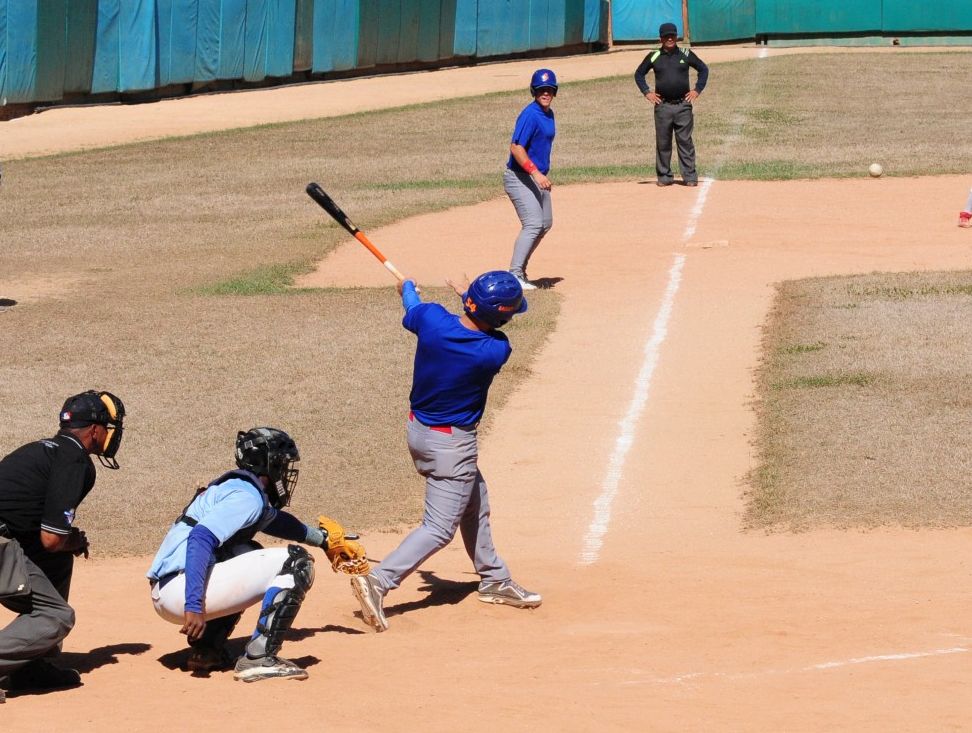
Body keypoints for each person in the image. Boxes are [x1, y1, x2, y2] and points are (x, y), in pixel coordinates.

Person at [350, 271, 542, 633]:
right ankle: (377, 581)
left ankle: (494, 578)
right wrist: (468, 297)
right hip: (453, 446)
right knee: (439, 528)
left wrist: (408, 288)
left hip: (420, 433)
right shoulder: (494, 350)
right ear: (501, 315)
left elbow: (415, 307)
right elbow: (481, 327)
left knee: (475, 502)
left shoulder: (431, 319)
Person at [146, 426, 357, 682]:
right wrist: (193, 606)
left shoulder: (239, 489)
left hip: (168, 590)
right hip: (182, 595)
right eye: (283, 465)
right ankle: (259, 659)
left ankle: (207, 650)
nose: (285, 472)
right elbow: (200, 538)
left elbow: (279, 522)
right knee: (296, 563)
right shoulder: (247, 498)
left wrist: (324, 540)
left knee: (247, 552)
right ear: (270, 464)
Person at [0, 390, 126, 701]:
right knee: (58, 616)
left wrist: (66, 543)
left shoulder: (40, 450)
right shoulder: (74, 461)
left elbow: (35, 530)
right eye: (109, 428)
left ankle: (31, 666)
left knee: (56, 562)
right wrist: (71, 539)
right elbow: (52, 538)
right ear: (95, 430)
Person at [634, 22, 709, 187]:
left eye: (672, 35)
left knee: (685, 141)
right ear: (660, 38)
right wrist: (647, 92)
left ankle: (689, 176)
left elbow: (703, 69)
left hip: (683, 105)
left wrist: (697, 90)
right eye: (666, 36)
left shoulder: (685, 53)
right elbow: (639, 74)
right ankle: (664, 176)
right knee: (663, 142)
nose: (670, 38)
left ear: (677, 37)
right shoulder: (654, 55)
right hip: (663, 106)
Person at [504, 68, 558, 291]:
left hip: (536, 177)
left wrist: (539, 174)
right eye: (541, 90)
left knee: (545, 223)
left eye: (549, 90)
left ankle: (521, 272)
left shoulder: (549, 113)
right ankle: (514, 274)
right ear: (534, 91)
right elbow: (516, 148)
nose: (545, 93)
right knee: (533, 223)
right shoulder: (530, 115)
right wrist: (535, 172)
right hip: (519, 176)